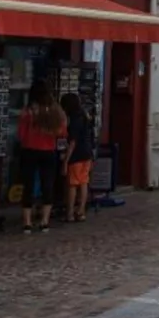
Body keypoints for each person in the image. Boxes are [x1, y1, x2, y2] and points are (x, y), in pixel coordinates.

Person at [17, 81, 67, 234]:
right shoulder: (56, 111)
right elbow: (62, 133)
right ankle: (44, 221)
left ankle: (27, 222)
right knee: (48, 184)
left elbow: (21, 134)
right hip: (48, 151)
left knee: (28, 185)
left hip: (30, 150)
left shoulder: (28, 111)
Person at [60, 92, 95, 223]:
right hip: (87, 153)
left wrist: (66, 160)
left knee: (72, 184)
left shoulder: (74, 119)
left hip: (77, 155)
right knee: (83, 182)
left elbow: (73, 142)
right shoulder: (84, 115)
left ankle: (69, 213)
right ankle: (81, 211)